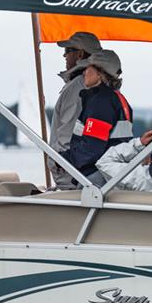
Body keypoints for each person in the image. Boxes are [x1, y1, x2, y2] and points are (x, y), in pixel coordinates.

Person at [59, 49, 133, 187]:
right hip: (110, 175)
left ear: (99, 73)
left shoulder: (101, 102)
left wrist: (63, 159)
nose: (84, 72)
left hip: (95, 179)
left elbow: (92, 147)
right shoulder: (118, 99)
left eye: (88, 68)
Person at [48, 32, 102, 189]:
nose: (64, 56)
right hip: (81, 172)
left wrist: (60, 163)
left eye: (67, 51)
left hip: (70, 174)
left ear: (80, 54)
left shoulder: (77, 87)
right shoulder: (97, 86)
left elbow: (68, 132)